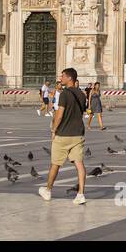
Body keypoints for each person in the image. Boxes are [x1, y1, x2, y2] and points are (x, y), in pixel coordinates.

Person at [39, 67, 89, 204]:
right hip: (78, 133)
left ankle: (48, 190)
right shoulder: (82, 94)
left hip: (63, 134)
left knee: (55, 164)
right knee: (79, 164)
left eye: (63, 76)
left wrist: (54, 129)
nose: (60, 78)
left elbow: (60, 114)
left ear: (69, 78)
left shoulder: (65, 94)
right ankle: (81, 194)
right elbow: (81, 112)